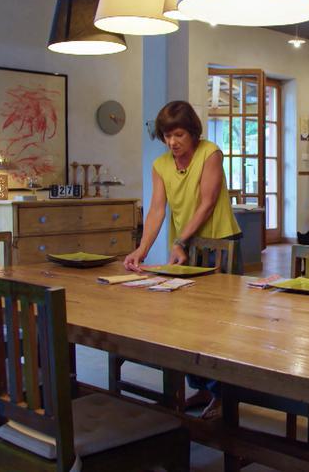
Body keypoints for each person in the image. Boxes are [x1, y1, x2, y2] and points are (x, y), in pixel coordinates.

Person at [123, 100, 240, 419]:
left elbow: (207, 202)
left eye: (178, 135)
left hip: (219, 244)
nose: (172, 142)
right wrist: (141, 250)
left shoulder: (210, 153)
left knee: (218, 324)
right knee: (186, 322)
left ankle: (223, 397)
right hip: (185, 248)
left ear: (192, 132)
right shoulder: (160, 165)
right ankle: (202, 387)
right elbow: (157, 210)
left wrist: (179, 240)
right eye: (166, 136)